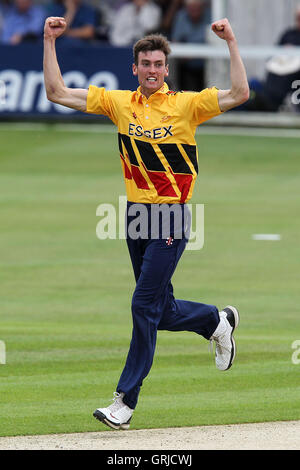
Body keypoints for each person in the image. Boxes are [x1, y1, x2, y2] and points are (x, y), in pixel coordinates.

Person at [43, 15, 249, 430]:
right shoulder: (119, 103)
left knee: (141, 305)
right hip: (136, 216)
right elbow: (56, 91)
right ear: (134, 68)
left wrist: (231, 42)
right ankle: (216, 321)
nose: (152, 70)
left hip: (171, 214)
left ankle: (125, 400)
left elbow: (241, 93)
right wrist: (49, 40)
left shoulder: (187, 105)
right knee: (161, 310)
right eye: (146, 64)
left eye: (158, 64)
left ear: (166, 70)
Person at [244, 5, 300, 112]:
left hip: (281, 94)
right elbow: (272, 58)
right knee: (249, 86)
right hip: (268, 85)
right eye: (297, 17)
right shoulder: (288, 34)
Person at [171, 0, 211, 91]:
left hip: (207, 65)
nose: (194, 11)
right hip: (187, 65)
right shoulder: (181, 16)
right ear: (186, 8)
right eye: (191, 8)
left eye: (197, 8)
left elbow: (215, 42)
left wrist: (194, 54)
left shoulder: (210, 16)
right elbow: (175, 41)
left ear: (202, 7)